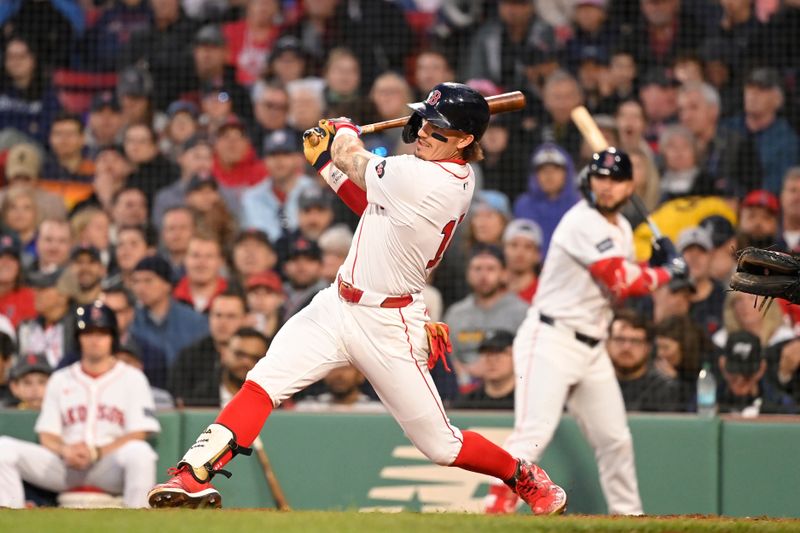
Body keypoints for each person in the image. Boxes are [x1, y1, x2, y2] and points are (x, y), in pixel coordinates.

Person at [148, 82, 566, 515]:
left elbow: (353, 158)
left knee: (441, 445)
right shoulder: (419, 173)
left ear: (464, 141)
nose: (423, 131)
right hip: (337, 304)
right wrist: (325, 164)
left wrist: (342, 132)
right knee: (263, 380)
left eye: (438, 129)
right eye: (425, 121)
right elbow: (371, 203)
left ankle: (521, 474)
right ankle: (192, 474)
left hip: (391, 323)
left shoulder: (430, 179)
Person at [486, 147, 689, 515]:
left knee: (615, 439)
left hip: (592, 347)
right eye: (600, 178)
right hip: (550, 339)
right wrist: (666, 272)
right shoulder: (582, 221)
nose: (607, 187)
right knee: (532, 437)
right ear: (588, 181)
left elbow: (619, 278)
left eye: (616, 180)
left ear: (631, 186)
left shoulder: (622, 227)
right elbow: (620, 280)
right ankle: (495, 511)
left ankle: (629, 517)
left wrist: (652, 264)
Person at [0, 301, 160, 508]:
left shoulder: (133, 378)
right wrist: (65, 450)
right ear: (78, 338)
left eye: (102, 333)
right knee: (3, 447)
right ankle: (10, 517)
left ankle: (141, 521)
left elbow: (140, 432)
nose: (95, 340)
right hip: (65, 466)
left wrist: (98, 452)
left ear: (113, 338)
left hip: (108, 464)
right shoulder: (60, 378)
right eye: (88, 333)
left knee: (141, 453)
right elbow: (47, 434)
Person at [444, 245, 528, 388]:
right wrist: (464, 371)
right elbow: (448, 358)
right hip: (463, 388)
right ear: (468, 273)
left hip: (511, 388)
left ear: (504, 273)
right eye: (477, 269)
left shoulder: (523, 312)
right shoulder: (455, 314)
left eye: (490, 269)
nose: (483, 275)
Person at [168, 292, 248, 407]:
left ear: (244, 319)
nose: (223, 322)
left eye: (231, 316)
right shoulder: (189, 356)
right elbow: (179, 401)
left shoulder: (256, 354)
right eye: (218, 315)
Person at [607, 310, 680, 413]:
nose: (626, 347)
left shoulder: (664, 389)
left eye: (635, 341)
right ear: (607, 343)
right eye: (620, 339)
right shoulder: (593, 385)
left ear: (648, 348)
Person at [452, 329, 516, 410]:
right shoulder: (466, 403)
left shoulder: (526, 400)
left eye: (499, 352)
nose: (491, 360)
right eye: (486, 353)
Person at [295, 364, 383, 412]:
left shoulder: (377, 411)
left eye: (345, 368)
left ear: (361, 375)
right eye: (333, 369)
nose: (338, 375)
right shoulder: (307, 408)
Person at [502, 219, 542, 304]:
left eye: (528, 246)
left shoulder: (544, 293)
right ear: (504, 250)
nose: (520, 252)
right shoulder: (494, 291)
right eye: (514, 245)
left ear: (538, 255)